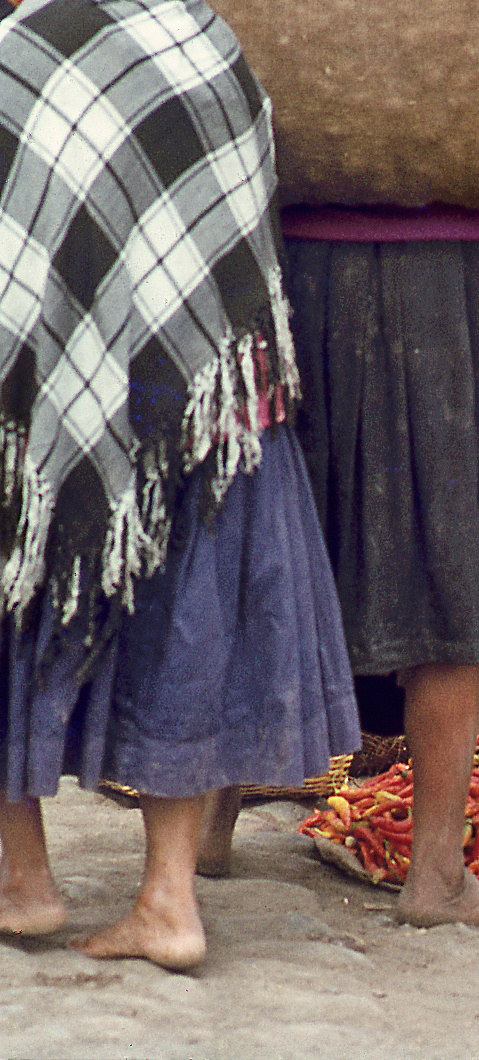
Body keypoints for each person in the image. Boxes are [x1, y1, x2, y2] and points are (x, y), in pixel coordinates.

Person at [0, 0, 359, 969]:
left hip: (68, 408)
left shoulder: (22, 53)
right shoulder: (208, 43)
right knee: (186, 633)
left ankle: (22, 875)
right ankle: (168, 897)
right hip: (207, 409)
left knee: (15, 569)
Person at [227, 198, 479, 927]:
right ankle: (434, 871)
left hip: (300, 280)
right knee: (451, 554)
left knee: (278, 541)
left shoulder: (301, 75)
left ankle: (205, 833)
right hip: (460, 284)